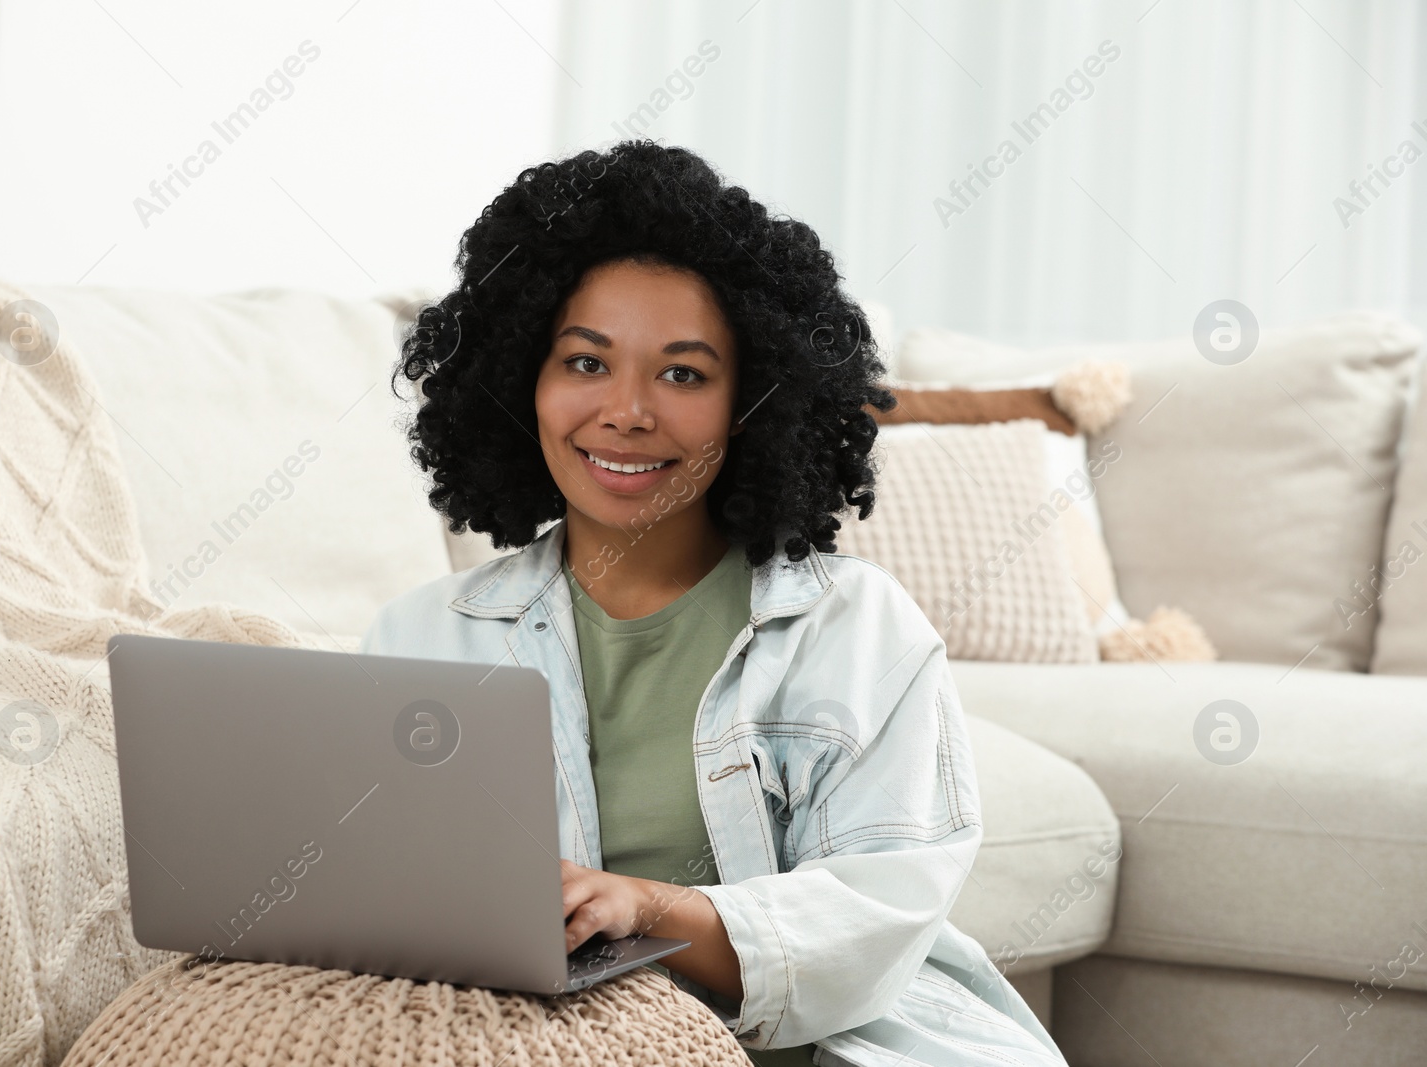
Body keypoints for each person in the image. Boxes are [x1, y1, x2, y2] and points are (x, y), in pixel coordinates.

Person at [359, 140, 1068, 1066]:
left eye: (683, 373)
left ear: (753, 403)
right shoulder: (421, 635)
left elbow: (880, 907)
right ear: (518, 382)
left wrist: (650, 908)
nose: (626, 411)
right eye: (584, 362)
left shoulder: (856, 628)